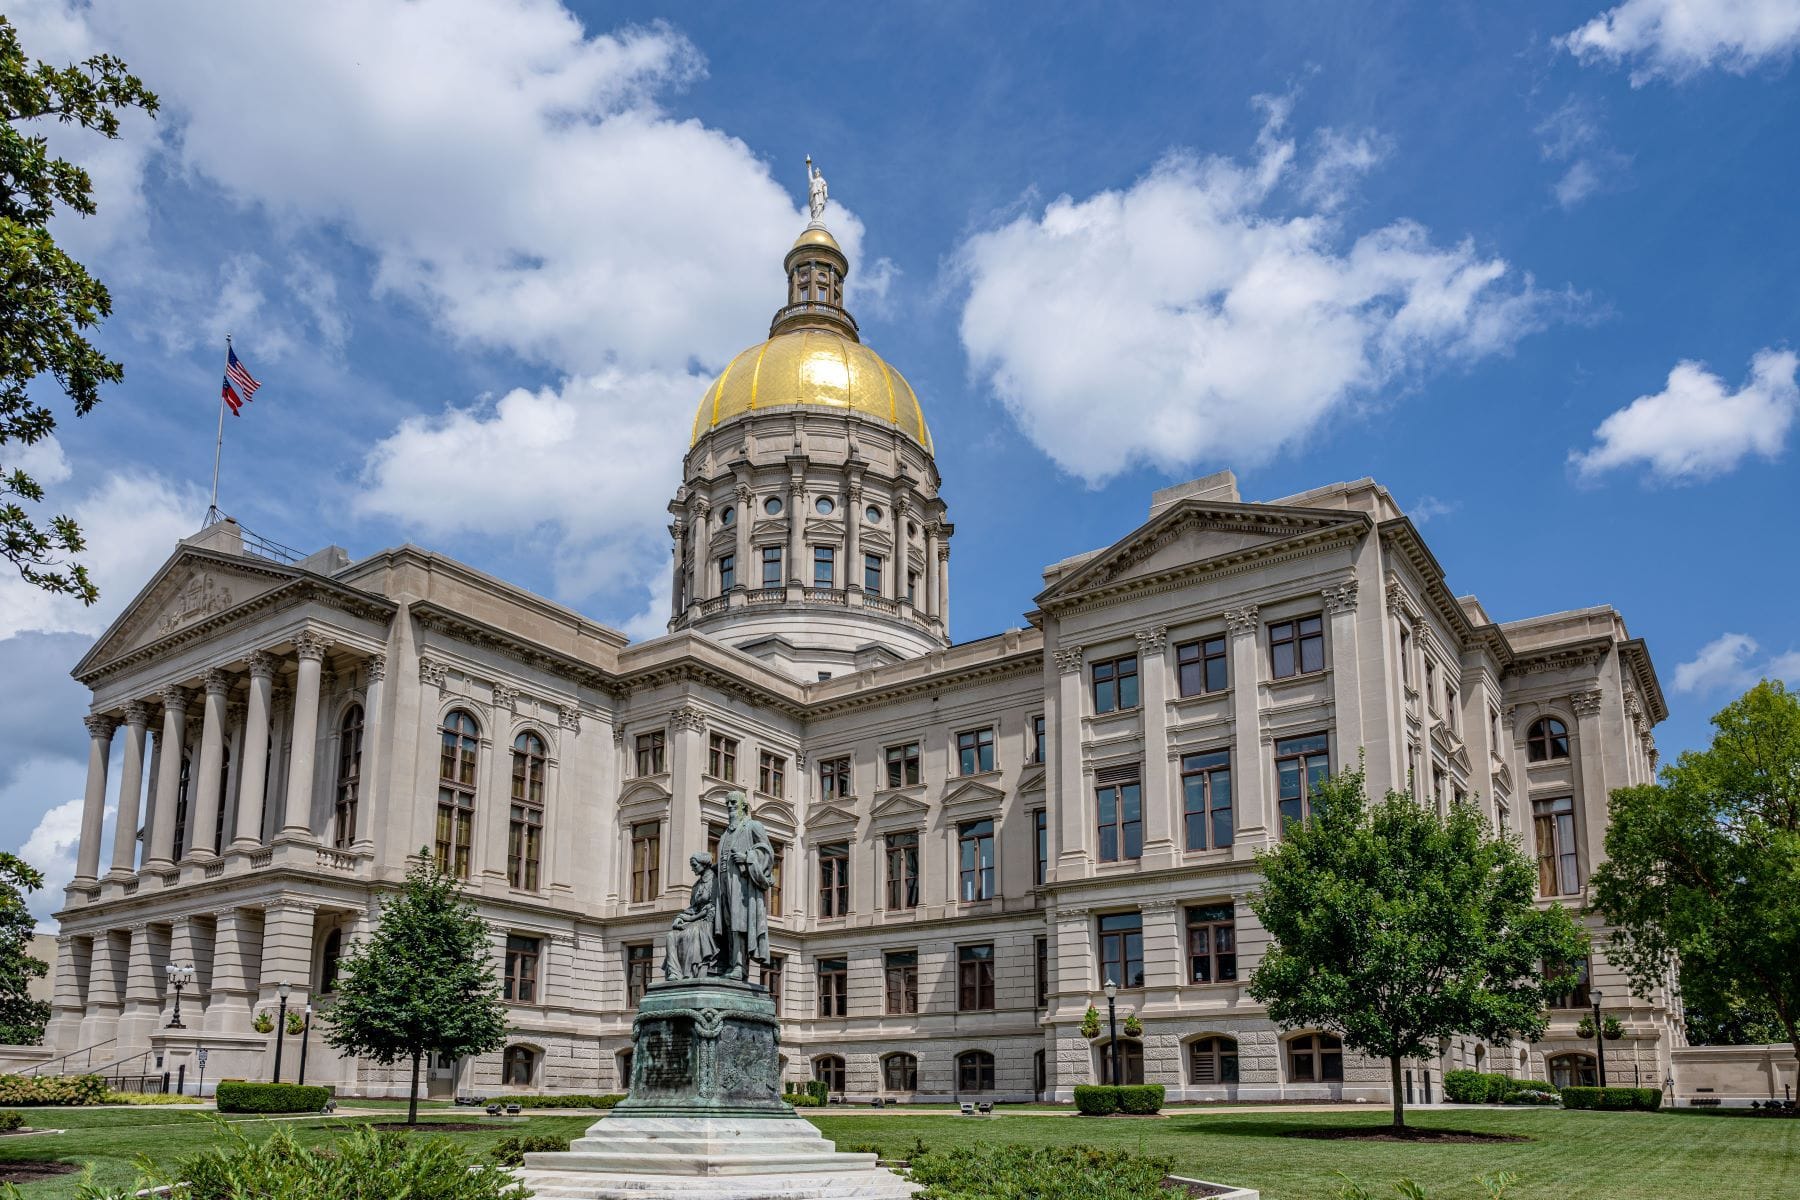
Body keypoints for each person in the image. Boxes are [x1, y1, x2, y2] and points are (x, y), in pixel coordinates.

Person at [710, 790, 775, 981]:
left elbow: (768, 853)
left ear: (743, 806)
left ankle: (740, 966)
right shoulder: (724, 834)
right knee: (729, 926)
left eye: (733, 803)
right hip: (724, 886)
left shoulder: (753, 826)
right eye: (727, 803)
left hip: (743, 887)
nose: (729, 806)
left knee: (739, 925)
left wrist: (748, 858)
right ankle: (730, 964)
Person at [663, 853, 718, 980]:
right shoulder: (696, 885)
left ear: (704, 864)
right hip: (695, 918)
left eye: (694, 865)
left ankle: (691, 973)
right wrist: (680, 917)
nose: (692, 868)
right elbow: (692, 907)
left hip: (709, 920)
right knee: (671, 936)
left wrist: (692, 919)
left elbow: (713, 906)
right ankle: (674, 972)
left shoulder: (716, 881)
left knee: (693, 933)